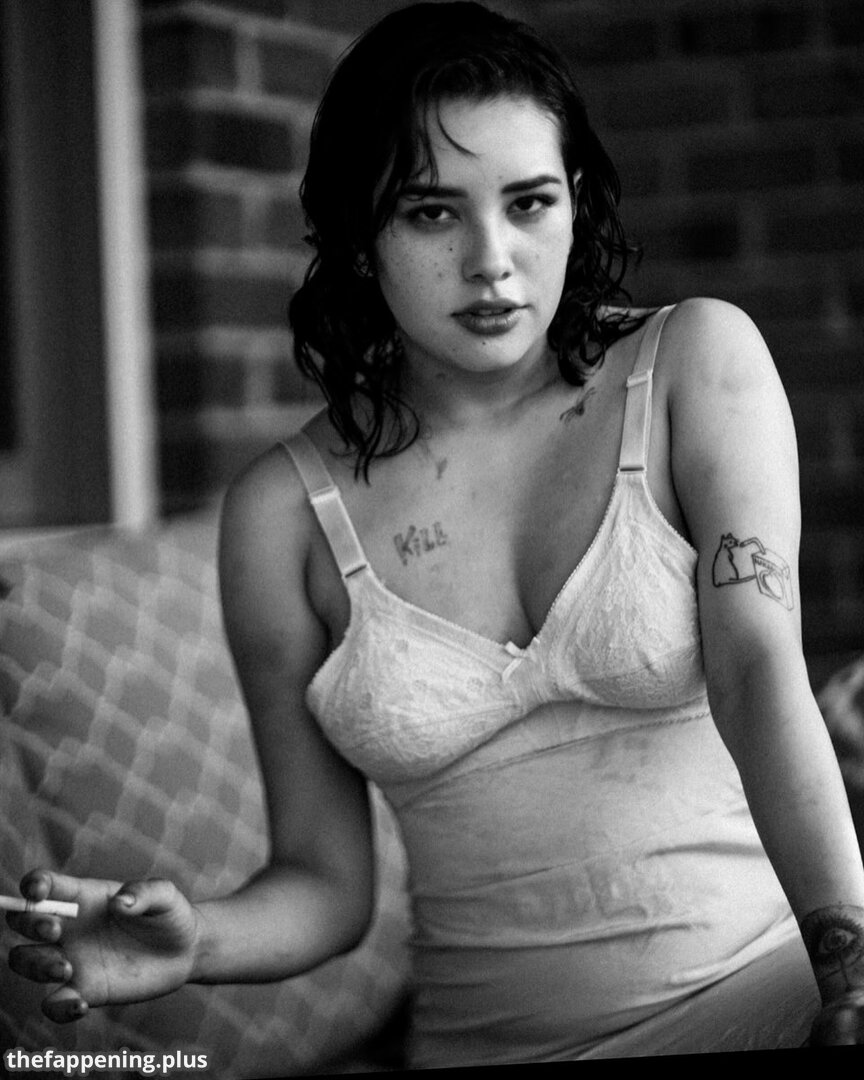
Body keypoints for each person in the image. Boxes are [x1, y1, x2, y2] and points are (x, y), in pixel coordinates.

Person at [6, 1, 864, 1065]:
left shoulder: (695, 364)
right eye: (430, 212)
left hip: (772, 998)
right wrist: (196, 944)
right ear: (361, 239)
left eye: (529, 202)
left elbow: (758, 675)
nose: (492, 260)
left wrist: (848, 977)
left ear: (576, 201)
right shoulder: (281, 518)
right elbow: (326, 885)